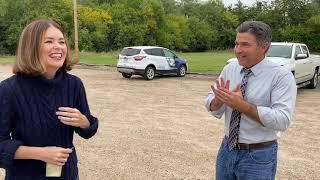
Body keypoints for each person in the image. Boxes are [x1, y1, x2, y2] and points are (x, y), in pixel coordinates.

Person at [0, 19, 98, 180]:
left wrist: (84, 122)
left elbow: (88, 130)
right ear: (31, 48)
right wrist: (40, 153)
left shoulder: (74, 85)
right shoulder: (9, 90)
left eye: (61, 42)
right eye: (49, 41)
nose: (58, 47)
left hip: (67, 175)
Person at [204, 21, 297, 180]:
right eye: (236, 44)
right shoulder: (230, 69)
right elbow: (211, 103)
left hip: (258, 156)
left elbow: (282, 120)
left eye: (245, 44)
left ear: (264, 47)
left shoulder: (281, 76)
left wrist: (243, 106)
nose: (238, 50)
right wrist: (218, 101)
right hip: (227, 149)